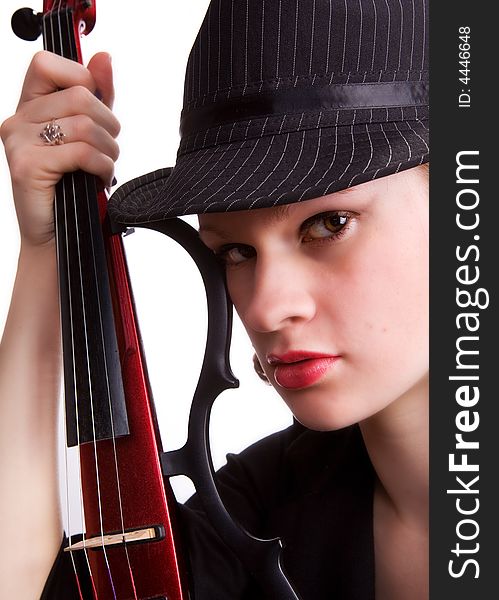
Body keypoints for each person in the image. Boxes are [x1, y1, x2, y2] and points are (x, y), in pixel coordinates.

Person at [0, 0, 429, 598]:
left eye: (329, 224)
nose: (264, 308)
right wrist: (45, 249)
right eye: (235, 253)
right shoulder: (255, 514)